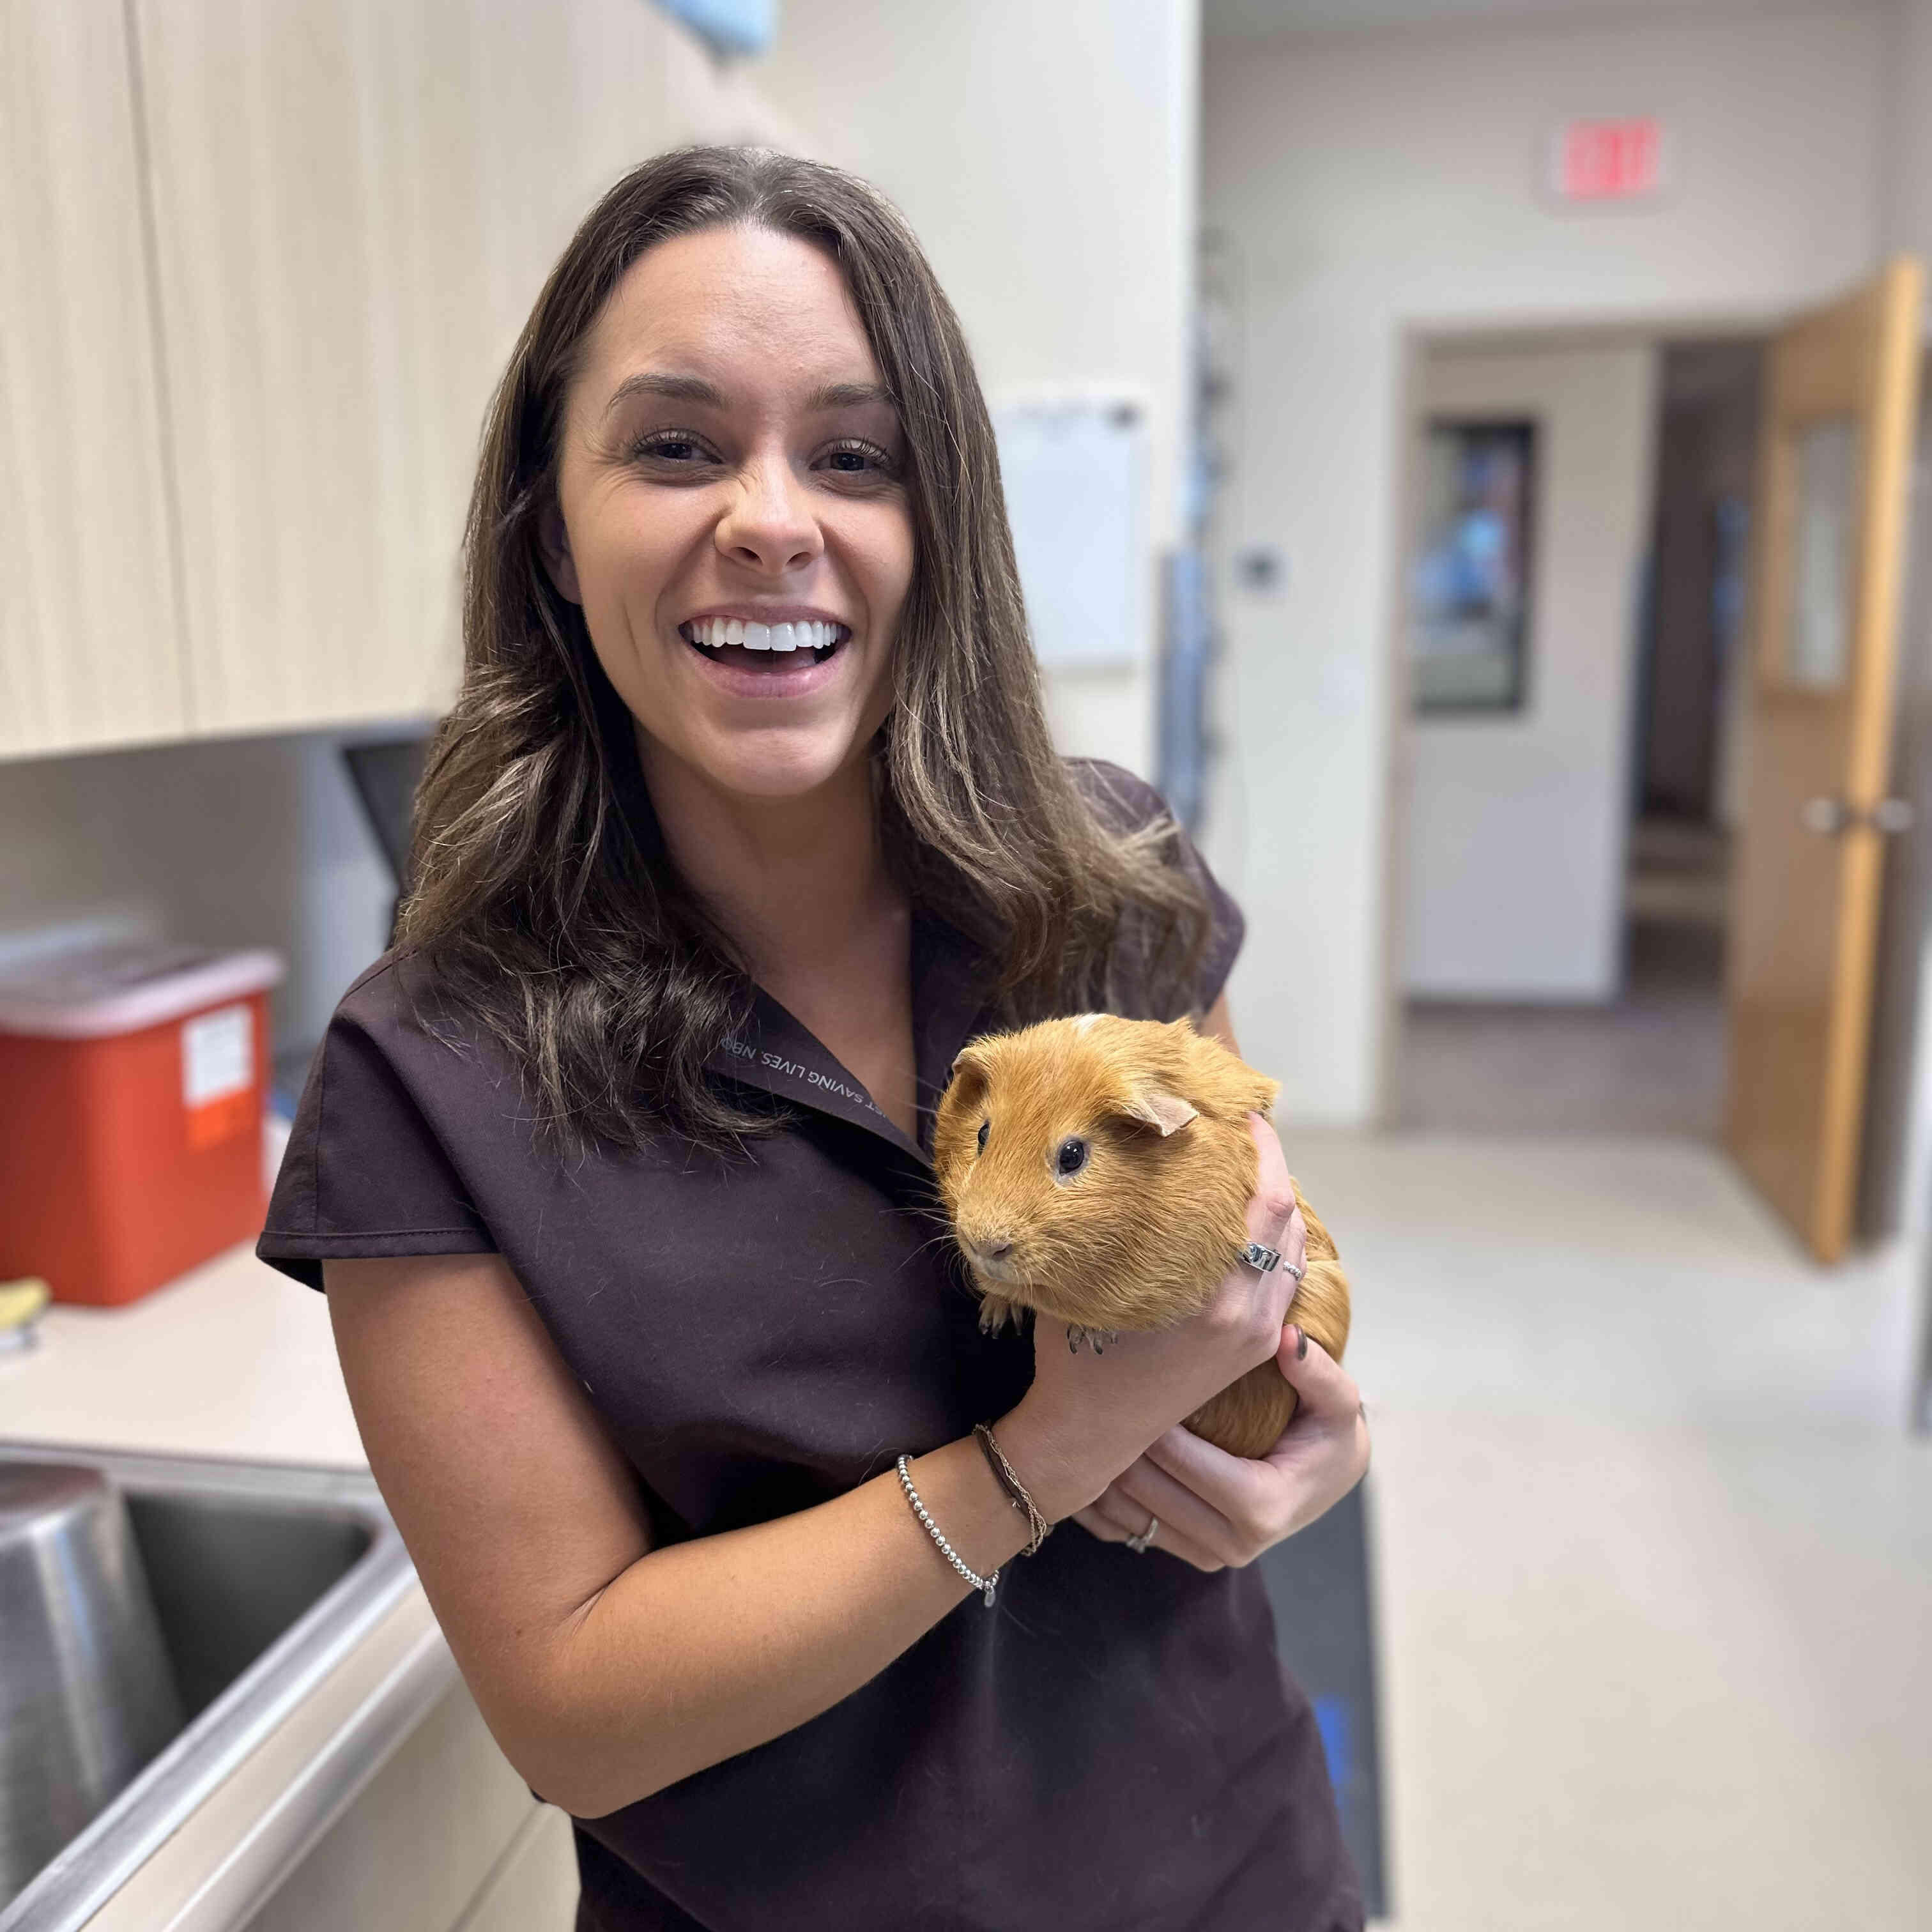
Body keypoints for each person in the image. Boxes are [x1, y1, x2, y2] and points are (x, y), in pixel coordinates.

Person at [259, 146, 1370, 1931]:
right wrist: (1041, 1461)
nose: (773, 518)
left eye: (855, 457)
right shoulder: (435, 1071)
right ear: (552, 525)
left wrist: (1314, 1445)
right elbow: (571, 1708)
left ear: (937, 526)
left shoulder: (1112, 881)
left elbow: (1257, 1273)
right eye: (679, 446)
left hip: (1231, 1868)